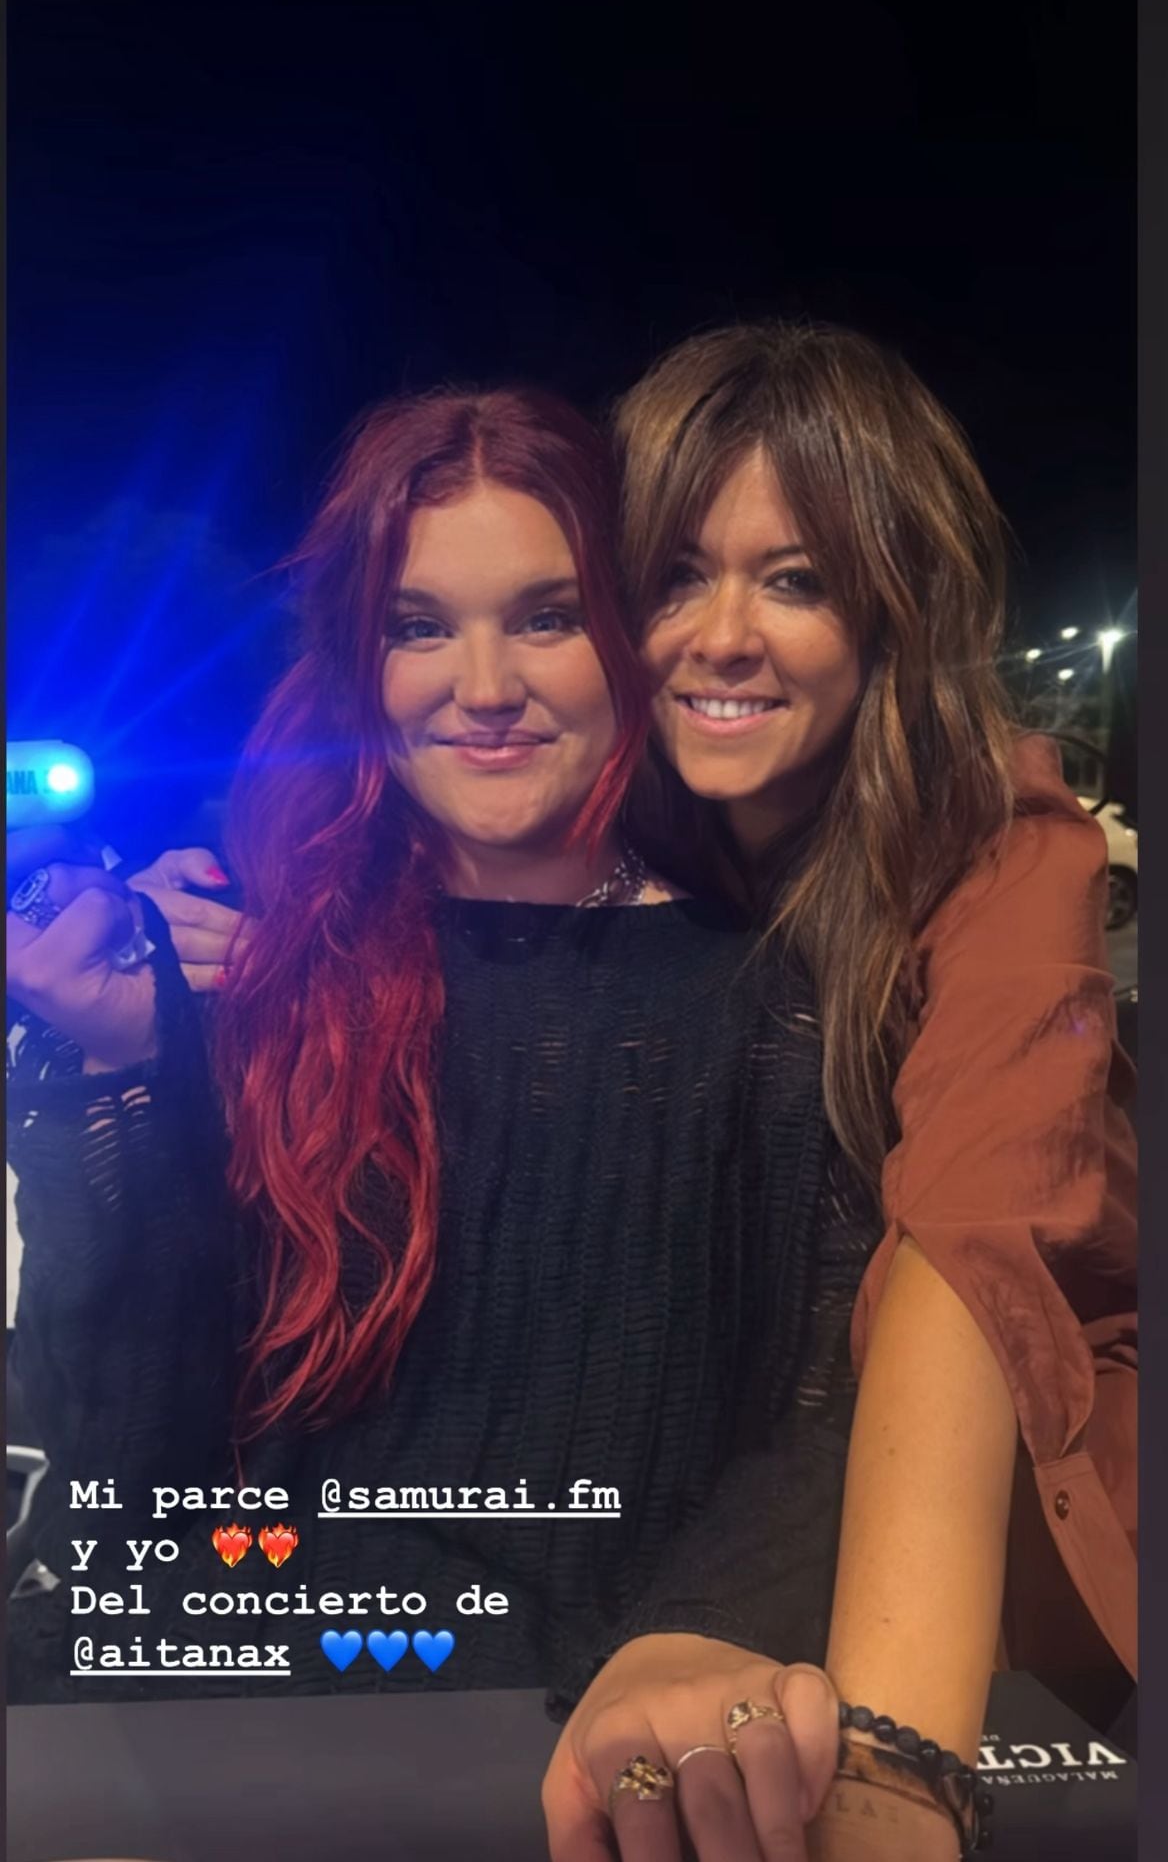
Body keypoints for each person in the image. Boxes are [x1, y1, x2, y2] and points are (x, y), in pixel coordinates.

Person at [8, 386, 963, 1862]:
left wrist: (697, 1632)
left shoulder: (770, 1001)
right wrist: (126, 1074)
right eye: (417, 626)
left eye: (546, 616)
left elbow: (820, 1413)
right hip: (263, 1712)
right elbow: (133, 1477)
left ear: (626, 636)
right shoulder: (266, 975)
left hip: (598, 1733)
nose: (483, 684)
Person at [612, 318, 1138, 1779]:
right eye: (676, 575)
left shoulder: (1001, 848)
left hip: (986, 1542)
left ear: (891, 612)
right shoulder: (628, 850)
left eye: (796, 581)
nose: (722, 634)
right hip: (687, 1521)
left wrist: (894, 1778)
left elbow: (966, 1253)